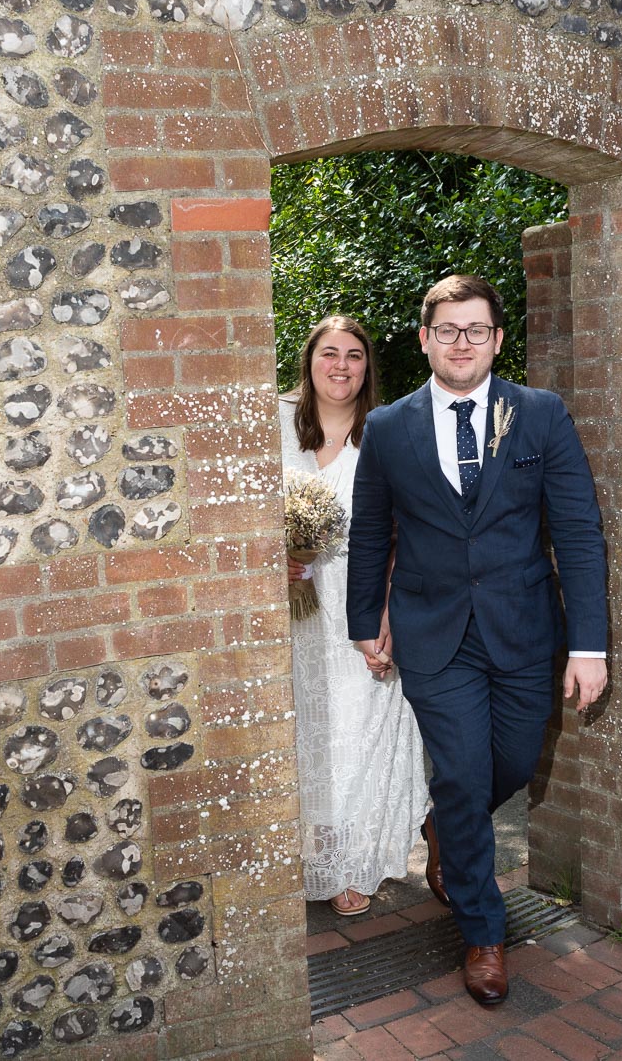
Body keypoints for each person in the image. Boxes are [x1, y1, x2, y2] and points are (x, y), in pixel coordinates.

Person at [347, 276, 608, 1004]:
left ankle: (444, 826)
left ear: (497, 340)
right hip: (436, 634)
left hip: (525, 630)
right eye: (447, 330)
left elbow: (579, 533)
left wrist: (590, 645)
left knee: (515, 763)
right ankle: (483, 929)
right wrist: (365, 623)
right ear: (425, 338)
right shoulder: (391, 428)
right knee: (462, 771)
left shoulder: (541, 416)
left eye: (476, 330)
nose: (462, 343)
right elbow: (371, 531)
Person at [280, 316, 431, 918]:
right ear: (309, 360)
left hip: (364, 598)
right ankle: (306, 855)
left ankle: (350, 865)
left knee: (358, 731)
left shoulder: (388, 433)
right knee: (306, 733)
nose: (340, 366)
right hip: (294, 607)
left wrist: (388, 612)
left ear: (368, 369)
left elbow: (408, 533)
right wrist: (281, 557)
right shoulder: (275, 426)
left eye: (354, 357)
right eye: (329, 354)